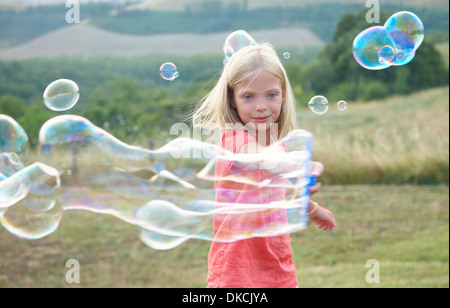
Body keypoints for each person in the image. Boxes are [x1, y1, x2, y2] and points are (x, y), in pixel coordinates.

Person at [191, 43, 337, 288]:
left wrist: (312, 209)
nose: (261, 106)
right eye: (248, 96)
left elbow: (278, 190)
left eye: (271, 95)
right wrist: (300, 164)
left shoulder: (276, 145)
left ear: (282, 95)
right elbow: (263, 161)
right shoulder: (235, 140)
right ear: (232, 100)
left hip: (277, 264)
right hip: (237, 270)